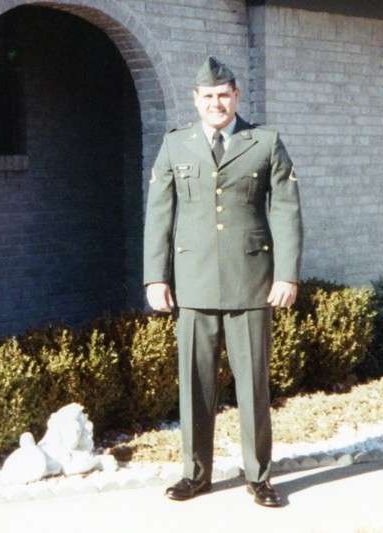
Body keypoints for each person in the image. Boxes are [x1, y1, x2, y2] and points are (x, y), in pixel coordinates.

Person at [143, 56, 302, 507]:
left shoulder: (264, 142)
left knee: (253, 385)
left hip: (251, 281)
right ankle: (195, 474)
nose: (216, 103)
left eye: (224, 95)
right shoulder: (176, 145)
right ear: (196, 100)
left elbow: (286, 211)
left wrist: (286, 274)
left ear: (236, 96)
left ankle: (259, 476)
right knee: (195, 385)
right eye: (208, 96)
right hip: (192, 282)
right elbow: (159, 214)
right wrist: (155, 277)